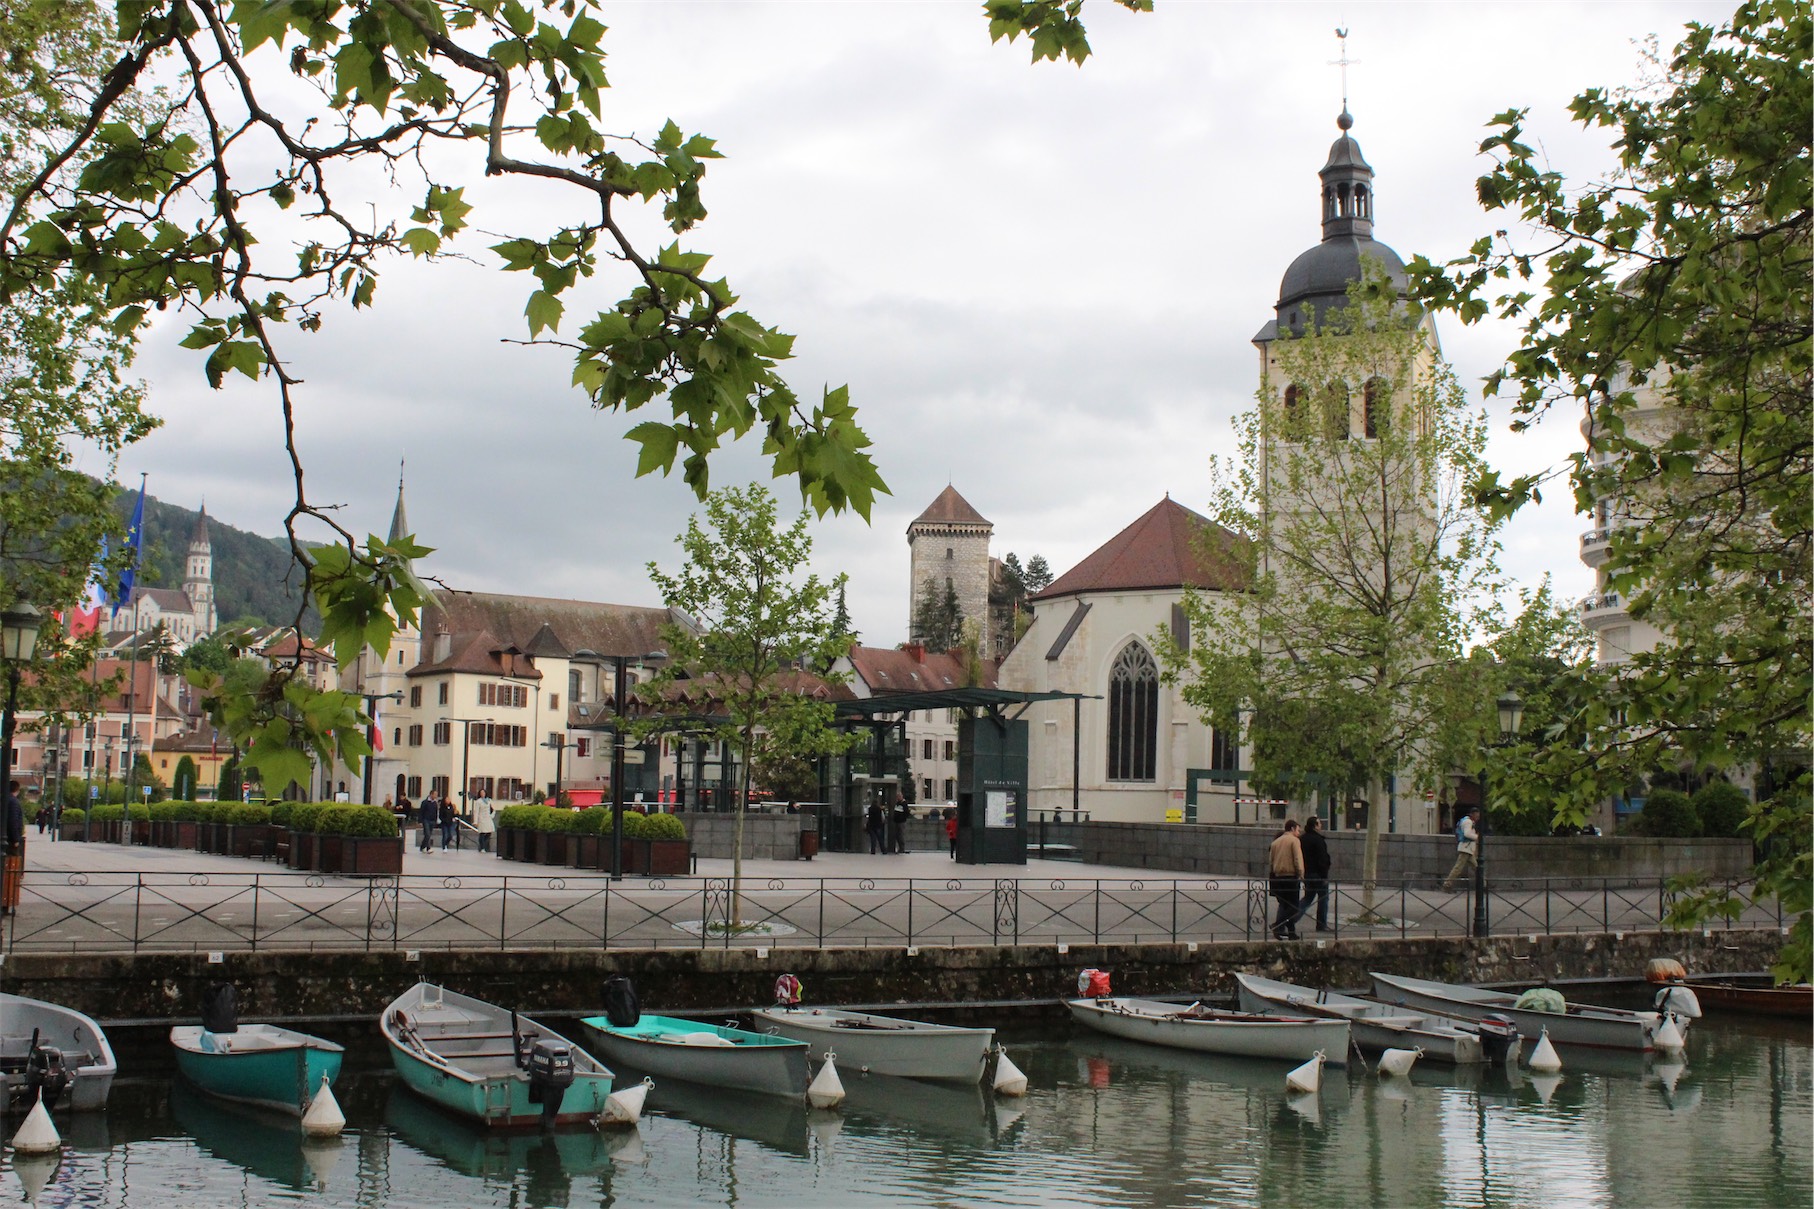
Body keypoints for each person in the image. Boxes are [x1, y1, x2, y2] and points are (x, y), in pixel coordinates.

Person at [1291, 815, 1332, 932]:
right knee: (1323, 899)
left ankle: (1291, 919)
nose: (1321, 825)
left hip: (1306, 873)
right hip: (1318, 875)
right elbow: (1323, 859)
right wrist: (1324, 876)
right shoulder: (1319, 840)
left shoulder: (1302, 839)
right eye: (1319, 823)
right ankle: (1321, 924)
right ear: (1315, 826)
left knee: (1307, 898)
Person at [1267, 818, 1304, 940]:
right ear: (1292, 828)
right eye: (1298, 830)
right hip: (1291, 876)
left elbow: (1271, 861)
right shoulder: (1294, 841)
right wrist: (1301, 873)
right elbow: (1297, 859)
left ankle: (1291, 932)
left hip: (1278, 877)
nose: (1299, 833)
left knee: (1285, 904)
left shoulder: (1275, 842)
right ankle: (1277, 925)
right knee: (1294, 906)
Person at [1443, 807, 1481, 892]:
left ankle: (1484, 884)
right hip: (1466, 848)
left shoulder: (1466, 821)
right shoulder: (1468, 822)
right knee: (1459, 868)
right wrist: (1477, 837)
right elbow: (1467, 834)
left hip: (1467, 848)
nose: (1478, 818)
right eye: (1477, 815)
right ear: (1473, 814)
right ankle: (1447, 884)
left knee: (1476, 867)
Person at [2, 780, 24, 917]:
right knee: (10, 871)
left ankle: (5, 903)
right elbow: (13, 821)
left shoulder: (5, 800)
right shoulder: (13, 802)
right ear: (17, 789)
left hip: (6, 839)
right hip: (10, 842)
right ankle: (6, 905)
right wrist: (16, 839)